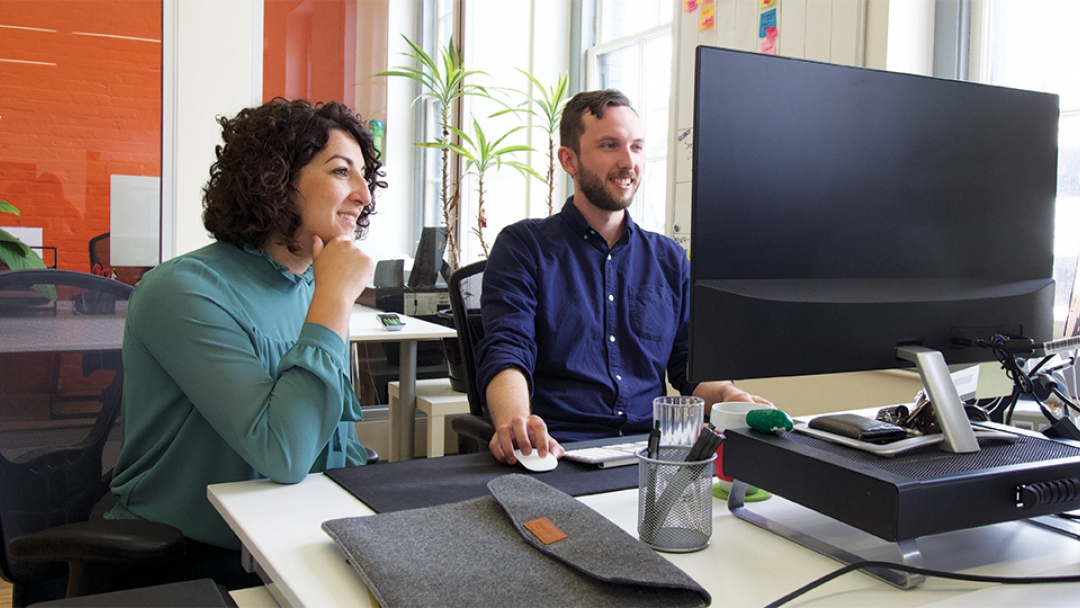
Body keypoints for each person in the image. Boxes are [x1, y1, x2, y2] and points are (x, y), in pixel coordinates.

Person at [106, 98, 382, 586]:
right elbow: (284, 452)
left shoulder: (313, 287)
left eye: (364, 176)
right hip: (187, 557)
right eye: (342, 172)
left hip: (297, 532)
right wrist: (335, 299)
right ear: (275, 180)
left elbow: (336, 443)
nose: (363, 194)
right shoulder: (185, 290)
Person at [476, 89, 770, 465]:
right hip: (560, 448)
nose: (627, 161)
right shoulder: (524, 246)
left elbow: (688, 367)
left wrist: (729, 395)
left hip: (651, 452)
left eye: (637, 146)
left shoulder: (668, 258)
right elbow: (507, 349)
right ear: (569, 159)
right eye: (610, 145)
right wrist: (515, 419)